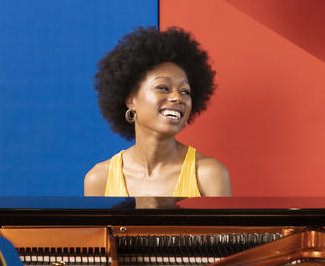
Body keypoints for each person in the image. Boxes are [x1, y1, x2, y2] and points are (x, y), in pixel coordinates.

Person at [84, 26, 232, 197]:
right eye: (163, 87)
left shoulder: (208, 174)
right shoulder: (99, 179)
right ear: (131, 100)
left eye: (185, 91)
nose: (178, 98)